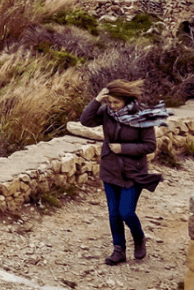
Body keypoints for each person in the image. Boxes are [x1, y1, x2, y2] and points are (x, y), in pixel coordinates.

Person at [80, 79, 170, 265]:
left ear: (127, 100)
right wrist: (97, 101)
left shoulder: (142, 116)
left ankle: (139, 238)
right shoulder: (106, 111)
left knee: (126, 212)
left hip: (133, 173)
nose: (112, 106)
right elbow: (85, 121)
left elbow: (150, 145)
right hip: (110, 170)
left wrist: (123, 148)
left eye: (116, 103)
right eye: (109, 102)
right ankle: (118, 250)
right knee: (113, 213)